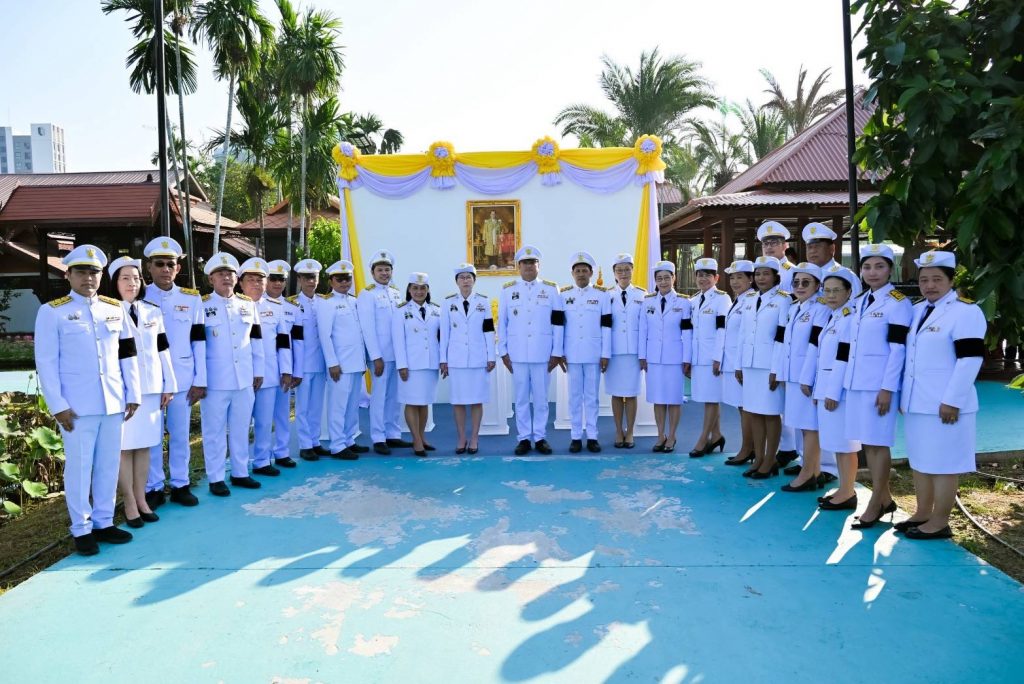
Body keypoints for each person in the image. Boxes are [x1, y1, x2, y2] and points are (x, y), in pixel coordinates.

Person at [35, 245, 141, 555]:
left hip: (112, 401)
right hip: (77, 407)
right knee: (80, 468)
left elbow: (128, 354)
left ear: (101, 275)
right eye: (81, 272)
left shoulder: (114, 308)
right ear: (68, 275)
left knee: (108, 464)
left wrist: (133, 392)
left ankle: (104, 522)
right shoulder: (52, 311)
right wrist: (58, 406)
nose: (88, 278)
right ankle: (81, 528)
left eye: (94, 272)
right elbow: (46, 363)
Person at [898, 251, 986, 539]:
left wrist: (953, 400)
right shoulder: (917, 310)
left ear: (950, 280)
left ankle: (939, 522)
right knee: (921, 461)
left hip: (945, 404)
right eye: (924, 280)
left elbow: (970, 359)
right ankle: (923, 512)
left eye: (937, 279)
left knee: (944, 464)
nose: (930, 285)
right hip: (917, 402)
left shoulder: (966, 312)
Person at [837, 243, 913, 523]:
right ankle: (886, 499)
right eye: (867, 267)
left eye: (879, 266)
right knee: (868, 443)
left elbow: (898, 350)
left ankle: (875, 504)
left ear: (890, 270)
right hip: (857, 382)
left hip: (878, 385)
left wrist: (887, 388)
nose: (872, 272)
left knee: (878, 444)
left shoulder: (898, 303)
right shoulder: (859, 301)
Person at [109, 256, 176, 528]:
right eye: (125, 278)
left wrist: (169, 383)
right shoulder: (108, 311)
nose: (132, 283)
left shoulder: (151, 311)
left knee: (145, 446)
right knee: (124, 449)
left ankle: (142, 498)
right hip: (124, 392)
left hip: (151, 389)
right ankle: (129, 502)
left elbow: (163, 348)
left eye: (136, 278)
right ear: (114, 282)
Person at [142, 237, 205, 508]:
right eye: (159, 264)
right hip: (150, 380)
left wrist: (200, 379)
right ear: (149, 267)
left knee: (180, 435)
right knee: (152, 436)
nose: (166, 269)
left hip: (182, 378)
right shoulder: (139, 296)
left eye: (171, 264)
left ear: (178, 268)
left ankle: (180, 484)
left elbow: (199, 340)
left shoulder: (191, 298)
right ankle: (154, 487)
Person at [200, 252, 265, 496]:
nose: (226, 277)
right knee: (214, 432)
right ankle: (216, 477)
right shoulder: (202, 306)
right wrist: (200, 379)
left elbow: (256, 339)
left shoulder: (247, 305)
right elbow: (198, 346)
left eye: (229, 273)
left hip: (244, 378)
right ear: (211, 279)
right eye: (220, 274)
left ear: (236, 278)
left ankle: (240, 472)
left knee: (241, 428)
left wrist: (259, 370)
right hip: (215, 381)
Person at [497, 245, 566, 456]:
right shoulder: (508, 290)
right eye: (524, 263)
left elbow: (558, 323)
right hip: (517, 354)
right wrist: (503, 352)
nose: (528, 266)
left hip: (543, 354)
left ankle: (540, 437)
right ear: (518, 266)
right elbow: (503, 323)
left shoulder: (551, 289)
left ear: (539, 266)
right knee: (520, 399)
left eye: (532, 262)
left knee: (541, 399)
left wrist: (556, 352)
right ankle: (524, 438)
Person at [772, 263, 831, 492]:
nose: (800, 286)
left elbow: (815, 345)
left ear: (817, 285)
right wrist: (781, 372)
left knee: (810, 426)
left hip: (807, 377)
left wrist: (807, 378)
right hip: (793, 375)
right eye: (796, 282)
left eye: (806, 282)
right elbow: (785, 344)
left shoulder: (821, 308)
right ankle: (813, 471)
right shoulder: (795, 307)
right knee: (804, 426)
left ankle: (808, 473)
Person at [736, 256, 791, 478]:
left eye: (766, 274)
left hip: (769, 365)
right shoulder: (749, 299)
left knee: (770, 414)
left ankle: (770, 459)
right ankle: (758, 458)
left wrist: (776, 369)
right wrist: (739, 365)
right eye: (758, 274)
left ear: (776, 277)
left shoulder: (783, 299)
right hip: (750, 364)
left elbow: (782, 337)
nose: (761, 278)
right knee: (754, 412)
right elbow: (742, 334)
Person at [813, 268, 862, 512]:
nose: (831, 295)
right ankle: (844, 489)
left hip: (838, 391)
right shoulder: (835, 316)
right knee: (836, 442)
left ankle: (848, 491)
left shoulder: (850, 319)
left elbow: (844, 357)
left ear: (849, 292)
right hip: (826, 388)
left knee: (846, 443)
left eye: (836, 291)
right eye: (827, 291)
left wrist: (832, 392)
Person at [239, 258, 292, 478]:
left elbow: (284, 341)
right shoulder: (234, 306)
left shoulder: (275, 308)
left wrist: (286, 370)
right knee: (241, 424)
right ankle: (240, 467)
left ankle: (262, 461)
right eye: (251, 280)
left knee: (263, 421)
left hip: (269, 374)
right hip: (240, 376)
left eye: (260, 280)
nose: (256, 284)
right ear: (241, 283)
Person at [357, 250, 412, 455]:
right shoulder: (367, 294)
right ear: (372, 272)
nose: (384, 273)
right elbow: (367, 328)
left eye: (387, 269)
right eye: (380, 270)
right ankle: (378, 437)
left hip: (397, 354)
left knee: (394, 396)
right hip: (380, 356)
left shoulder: (396, 293)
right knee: (379, 397)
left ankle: (393, 433)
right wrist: (375, 356)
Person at [439, 263, 495, 454]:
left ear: (474, 280)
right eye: (461, 277)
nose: (465, 281)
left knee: (477, 400)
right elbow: (444, 333)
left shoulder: (483, 302)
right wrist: (443, 359)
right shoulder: (448, 303)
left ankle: (474, 438)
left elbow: (488, 330)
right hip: (456, 359)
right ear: (457, 281)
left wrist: (491, 356)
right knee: (458, 401)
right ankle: (462, 437)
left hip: (478, 358)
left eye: (468, 277)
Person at [638, 260, 693, 453]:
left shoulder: (684, 302)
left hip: (675, 358)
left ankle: (672, 435)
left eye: (666, 278)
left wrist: (687, 358)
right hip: (653, 358)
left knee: (674, 398)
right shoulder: (647, 301)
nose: (663, 282)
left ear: (674, 278)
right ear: (655, 280)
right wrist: (642, 356)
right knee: (658, 398)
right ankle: (660, 435)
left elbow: (687, 332)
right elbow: (642, 330)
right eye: (659, 278)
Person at [756, 221, 799, 465]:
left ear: (785, 245)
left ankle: (790, 447)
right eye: (766, 243)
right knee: (770, 399)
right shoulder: (760, 270)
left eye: (775, 242)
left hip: (787, 339)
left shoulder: (794, 272)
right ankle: (781, 447)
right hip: (765, 343)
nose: (770, 247)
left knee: (786, 397)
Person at [560, 251, 611, 453]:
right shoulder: (563, 296)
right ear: (572, 274)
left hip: (593, 354)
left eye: (584, 270)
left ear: (591, 273)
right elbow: (559, 327)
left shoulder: (602, 295)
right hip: (571, 354)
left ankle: (592, 436)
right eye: (578, 271)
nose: (581, 274)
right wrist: (559, 352)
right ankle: (575, 436)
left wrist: (605, 353)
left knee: (591, 397)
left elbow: (607, 326)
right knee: (574, 397)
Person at [316, 260, 366, 460]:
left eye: (347, 279)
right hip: (340, 364)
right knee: (338, 405)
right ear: (331, 281)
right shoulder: (326, 303)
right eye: (340, 279)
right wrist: (332, 363)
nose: (345, 282)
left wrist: (363, 361)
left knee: (353, 404)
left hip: (356, 362)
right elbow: (324, 335)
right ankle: (337, 444)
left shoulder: (354, 301)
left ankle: (349, 439)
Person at [393, 272, 442, 456]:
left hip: (430, 364)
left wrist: (443, 361)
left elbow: (442, 338)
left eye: (423, 288)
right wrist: (402, 365)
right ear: (409, 290)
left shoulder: (436, 310)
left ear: (428, 290)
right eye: (415, 288)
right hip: (411, 365)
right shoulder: (400, 311)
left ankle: (422, 437)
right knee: (412, 402)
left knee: (425, 402)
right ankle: (416, 440)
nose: (419, 292)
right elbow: (398, 341)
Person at [687, 257, 731, 458]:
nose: (703, 279)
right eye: (700, 275)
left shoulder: (722, 299)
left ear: (716, 278)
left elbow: (722, 330)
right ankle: (717, 435)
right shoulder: (694, 300)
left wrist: (718, 357)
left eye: (707, 275)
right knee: (709, 398)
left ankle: (703, 439)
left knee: (711, 399)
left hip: (712, 358)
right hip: (698, 357)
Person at [605, 253, 647, 449]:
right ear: (614, 273)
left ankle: (630, 431)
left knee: (631, 393)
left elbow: (645, 327)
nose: (623, 273)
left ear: (632, 270)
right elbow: (604, 326)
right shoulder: (606, 295)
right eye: (619, 270)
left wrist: (643, 354)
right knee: (615, 393)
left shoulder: (642, 295)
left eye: (627, 269)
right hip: (613, 352)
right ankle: (618, 431)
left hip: (633, 352)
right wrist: (604, 353)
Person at [265, 260, 303, 468]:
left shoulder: (292, 308)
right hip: (261, 371)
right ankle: (261, 458)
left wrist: (294, 370)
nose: (277, 283)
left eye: (281, 279)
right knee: (261, 418)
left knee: (282, 414)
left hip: (283, 369)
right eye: (273, 279)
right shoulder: (253, 304)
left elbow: (296, 342)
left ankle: (282, 452)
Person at [291, 259, 330, 461]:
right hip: (303, 364)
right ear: (299, 279)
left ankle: (315, 441)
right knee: (303, 407)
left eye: (313, 277)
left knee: (316, 406)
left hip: (321, 363)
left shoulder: (324, 302)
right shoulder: (292, 304)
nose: (311, 282)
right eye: (306, 278)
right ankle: (305, 444)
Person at [722, 260, 756, 466]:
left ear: (750, 279)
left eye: (740, 277)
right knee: (742, 407)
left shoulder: (751, 300)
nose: (735, 282)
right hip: (735, 362)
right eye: (732, 277)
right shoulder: (738, 300)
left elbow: (748, 336)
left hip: (743, 364)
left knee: (747, 407)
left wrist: (741, 365)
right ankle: (749, 447)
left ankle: (748, 449)